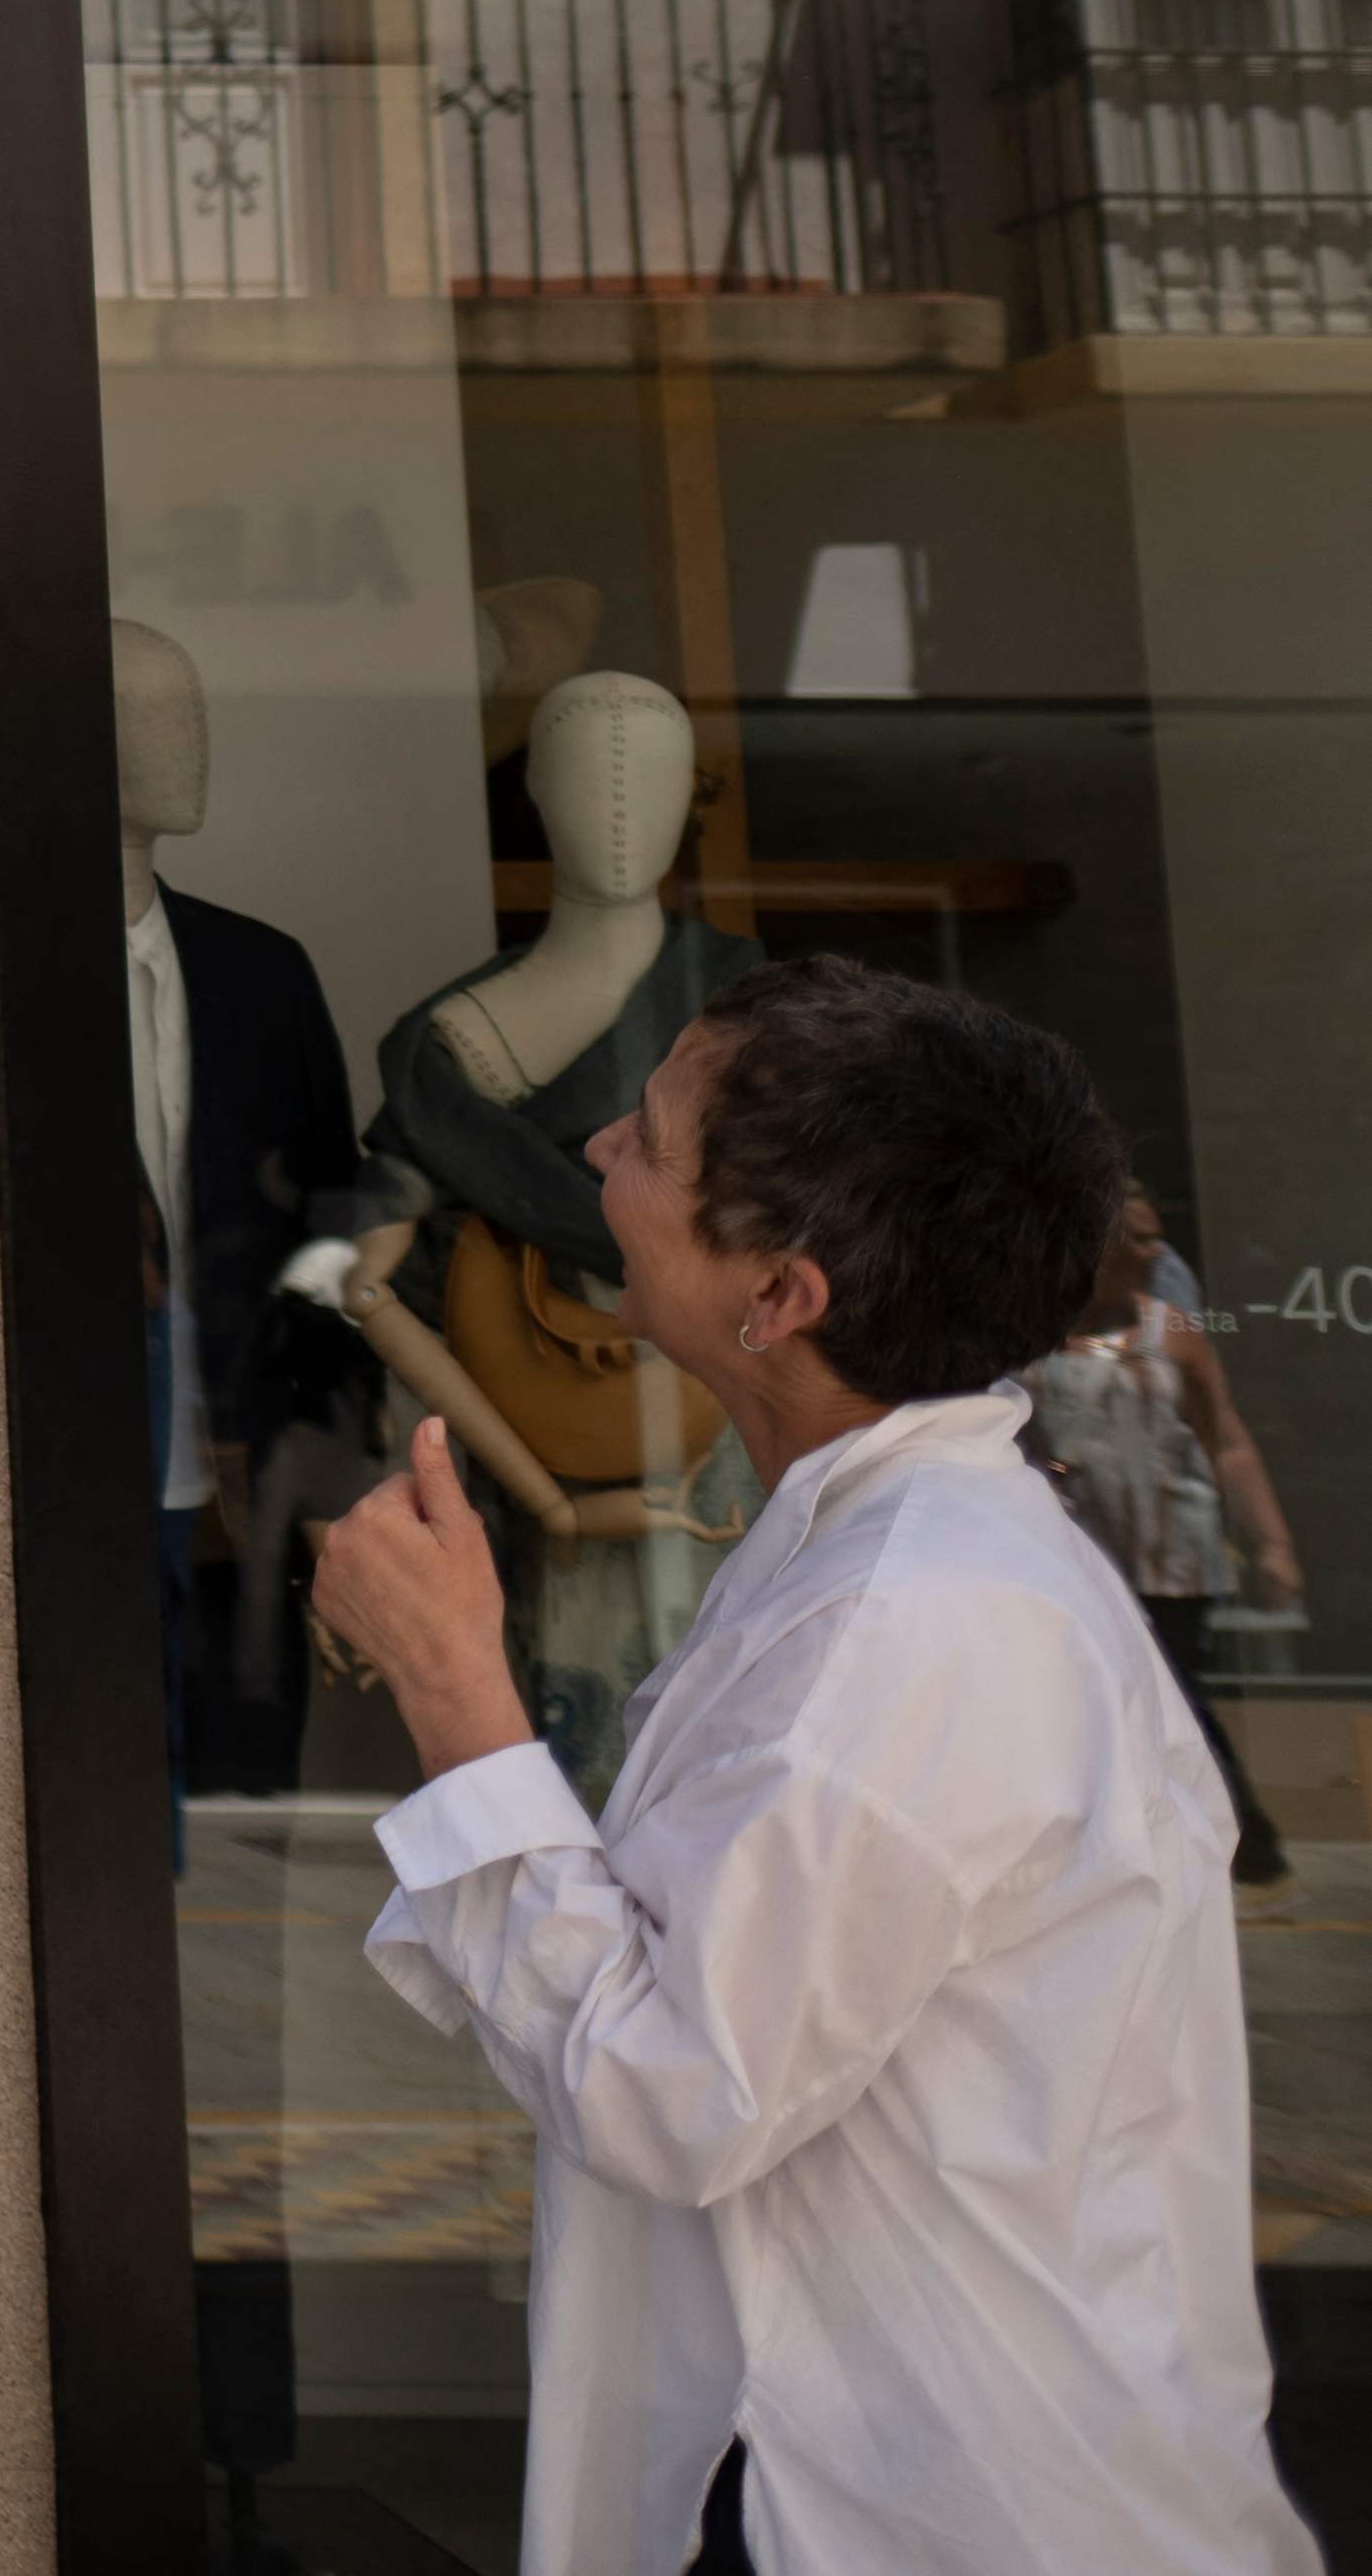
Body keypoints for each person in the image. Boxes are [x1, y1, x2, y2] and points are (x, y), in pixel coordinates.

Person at [311, 958, 1313, 2576]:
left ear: (776, 1293)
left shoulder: (907, 1619)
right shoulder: (897, 1555)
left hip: (924, 2510)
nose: (595, 1153)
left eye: (646, 1137)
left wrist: (453, 1689)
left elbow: (668, 2087)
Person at [1028, 1188, 1302, 1886]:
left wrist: (1271, 1542)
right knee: (1094, 1704)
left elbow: (1227, 1441)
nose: (1154, 1255)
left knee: (1175, 1697)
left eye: (1155, 1239)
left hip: (1169, 1559)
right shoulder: (1031, 1335)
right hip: (1081, 1559)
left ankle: (1248, 1844)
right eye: (1138, 1240)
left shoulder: (1171, 1333)